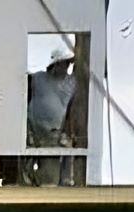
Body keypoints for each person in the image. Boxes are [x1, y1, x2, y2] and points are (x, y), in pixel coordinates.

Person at [23, 45, 81, 187]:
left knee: (51, 175)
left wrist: (69, 131)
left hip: (56, 132)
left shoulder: (72, 83)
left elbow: (73, 107)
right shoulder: (37, 79)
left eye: (67, 63)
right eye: (63, 63)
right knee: (29, 167)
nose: (65, 67)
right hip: (34, 130)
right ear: (55, 64)